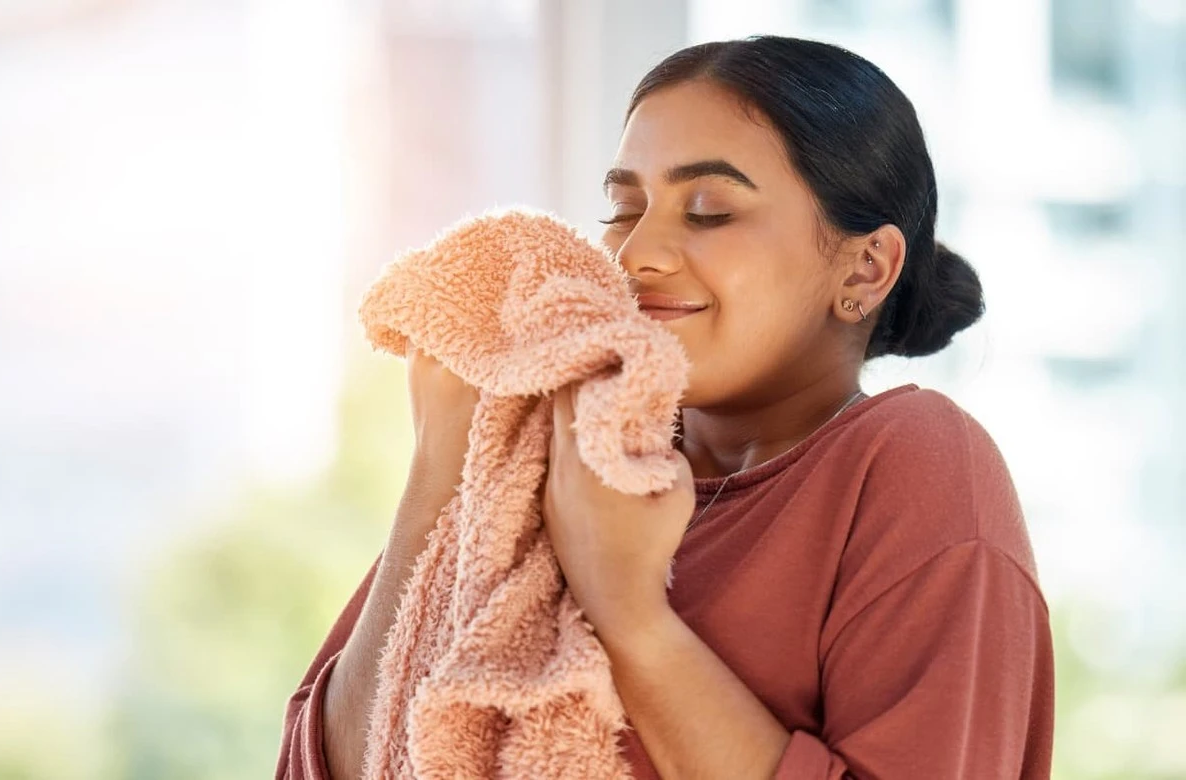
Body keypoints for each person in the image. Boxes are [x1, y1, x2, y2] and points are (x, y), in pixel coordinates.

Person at [278, 36, 1054, 779]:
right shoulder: (552, 446)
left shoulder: (915, 461)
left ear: (865, 267)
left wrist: (631, 616)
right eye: (624, 208)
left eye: (710, 209)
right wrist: (439, 473)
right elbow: (325, 766)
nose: (635, 253)